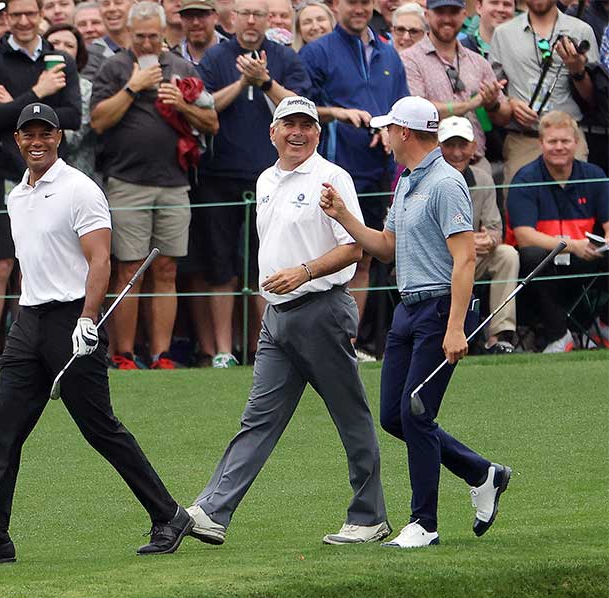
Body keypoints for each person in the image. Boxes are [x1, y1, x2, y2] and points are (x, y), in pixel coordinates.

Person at [0, 103, 194, 567]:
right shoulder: (16, 195)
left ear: (58, 137)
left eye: (46, 133)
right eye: (28, 134)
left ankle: (169, 515)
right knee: (3, 432)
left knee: (100, 428)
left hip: (72, 321)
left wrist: (87, 318)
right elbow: (31, 263)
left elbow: (100, 259)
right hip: (29, 321)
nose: (37, 142)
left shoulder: (81, 190)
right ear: (16, 140)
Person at [186, 96, 390, 547]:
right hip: (278, 318)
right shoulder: (265, 179)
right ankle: (213, 511)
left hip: (322, 311)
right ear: (273, 131)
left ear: (318, 133)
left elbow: (353, 248)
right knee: (257, 419)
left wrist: (304, 271)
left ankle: (370, 516)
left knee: (349, 416)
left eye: (307, 125)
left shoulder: (331, 177)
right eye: (289, 124)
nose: (297, 132)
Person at [319, 96, 511, 548]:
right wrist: (344, 216)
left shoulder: (447, 183)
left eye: (388, 129)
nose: (383, 136)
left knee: (418, 412)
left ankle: (424, 523)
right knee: (394, 416)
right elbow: (386, 246)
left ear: (404, 133)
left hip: (440, 309)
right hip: (407, 310)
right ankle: (482, 473)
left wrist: (456, 327)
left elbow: (464, 260)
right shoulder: (406, 181)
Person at [91, 1, 219, 370]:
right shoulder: (114, 66)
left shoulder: (182, 68)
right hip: (126, 182)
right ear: (130, 34)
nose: (147, 43)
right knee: (129, 271)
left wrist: (183, 105)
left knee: (166, 270)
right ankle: (124, 354)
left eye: (153, 36)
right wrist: (133, 87)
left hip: (174, 183)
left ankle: (161, 354)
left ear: (163, 33)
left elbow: (211, 123)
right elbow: (98, 122)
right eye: (140, 36)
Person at [190, 0, 311, 369]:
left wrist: (266, 82)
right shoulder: (215, 58)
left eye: (260, 14)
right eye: (245, 14)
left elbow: (303, 107)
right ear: (233, 18)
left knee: (270, 265)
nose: (252, 21)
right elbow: (205, 105)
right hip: (219, 176)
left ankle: (267, 348)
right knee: (221, 267)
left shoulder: (285, 58)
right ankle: (224, 351)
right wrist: (243, 81)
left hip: (275, 177)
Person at [299, 0, 409, 359]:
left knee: (361, 257)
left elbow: (401, 109)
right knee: (323, 256)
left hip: (375, 170)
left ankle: (346, 344)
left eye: (365, 1)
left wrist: (389, 131)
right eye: (352, 2)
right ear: (336, 5)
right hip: (330, 169)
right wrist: (338, 114)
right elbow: (300, 108)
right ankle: (313, 344)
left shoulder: (389, 55)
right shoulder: (317, 52)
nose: (359, 8)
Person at [0, 0, 82, 369]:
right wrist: (37, 93)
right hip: (6, 175)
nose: (22, 21)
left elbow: (72, 117)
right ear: (5, 18)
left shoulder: (61, 61)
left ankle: (37, 351)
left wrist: (14, 108)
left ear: (40, 16)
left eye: (28, 14)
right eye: (14, 15)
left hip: (52, 179)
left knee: (36, 264)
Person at [506, 110, 609, 352]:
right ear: (541, 143)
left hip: (585, 258)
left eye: (565, 141)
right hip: (541, 262)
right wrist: (573, 245)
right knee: (532, 254)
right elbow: (524, 235)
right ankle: (559, 335)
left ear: (576, 143)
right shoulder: (525, 178)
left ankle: (603, 321)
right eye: (552, 141)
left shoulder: (594, 175)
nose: (559, 147)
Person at [489, 0, 599, 185]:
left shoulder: (581, 30)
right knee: (520, 208)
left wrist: (577, 70)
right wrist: (512, 104)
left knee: (575, 210)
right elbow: (496, 93)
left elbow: (593, 99)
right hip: (523, 140)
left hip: (569, 141)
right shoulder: (503, 34)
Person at [438, 116, 519, 353]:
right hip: (437, 260)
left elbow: (495, 229)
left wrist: (490, 240)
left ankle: (499, 336)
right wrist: (467, 241)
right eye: (449, 145)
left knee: (506, 254)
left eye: (462, 145)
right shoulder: (427, 177)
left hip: (471, 258)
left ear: (473, 147)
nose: (456, 152)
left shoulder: (483, 179)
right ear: (438, 147)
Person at [400, 0, 511, 171]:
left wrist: (492, 104)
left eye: (453, 12)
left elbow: (504, 117)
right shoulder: (409, 59)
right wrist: (469, 105)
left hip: (476, 164)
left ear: (464, 15)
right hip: (429, 168)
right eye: (440, 12)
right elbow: (418, 112)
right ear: (427, 15)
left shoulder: (478, 62)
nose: (447, 19)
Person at [45, 23, 98, 178]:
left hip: (76, 175)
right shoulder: (30, 83)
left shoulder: (87, 89)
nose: (61, 49)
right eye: (54, 43)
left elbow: (71, 138)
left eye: (69, 45)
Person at [177, 0, 223, 65]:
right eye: (189, 15)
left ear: (215, 17)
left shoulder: (233, 54)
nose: (195, 22)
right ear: (181, 19)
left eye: (202, 14)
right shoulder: (172, 60)